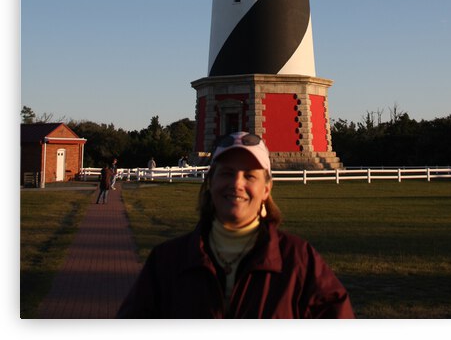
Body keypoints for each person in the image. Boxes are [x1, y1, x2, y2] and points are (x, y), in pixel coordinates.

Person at [117, 132, 355, 318]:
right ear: (210, 182)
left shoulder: (300, 262)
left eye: (250, 175)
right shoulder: (166, 262)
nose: (237, 183)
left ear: (266, 188)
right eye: (226, 173)